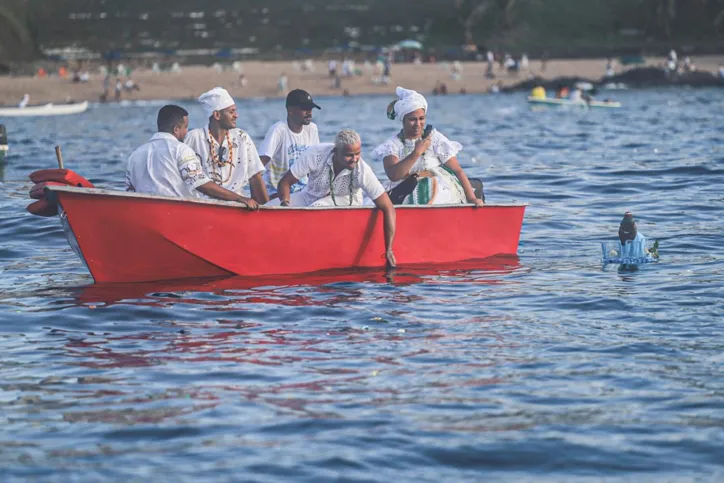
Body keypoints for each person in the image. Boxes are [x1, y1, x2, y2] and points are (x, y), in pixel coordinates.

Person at [275, 129, 397, 267]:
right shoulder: (315, 154)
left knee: (316, 209)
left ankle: (300, 253)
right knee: (271, 207)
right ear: (335, 151)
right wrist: (285, 207)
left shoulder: (363, 170)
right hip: (310, 195)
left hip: (346, 200)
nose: (355, 159)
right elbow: (284, 183)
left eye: (357, 154)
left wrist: (388, 250)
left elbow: (388, 208)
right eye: (349, 155)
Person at [125, 105, 258, 209]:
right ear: (176, 129)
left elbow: (130, 192)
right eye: (185, 127)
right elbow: (202, 185)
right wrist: (241, 199)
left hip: (146, 213)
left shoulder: (135, 155)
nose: (186, 132)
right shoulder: (181, 150)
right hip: (178, 214)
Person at [372, 87, 484, 206]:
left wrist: (471, 199)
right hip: (404, 191)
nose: (418, 124)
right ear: (403, 120)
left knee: (430, 186)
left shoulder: (434, 138)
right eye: (412, 119)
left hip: (439, 189)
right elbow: (394, 175)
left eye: (421, 119)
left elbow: (457, 170)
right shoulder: (393, 145)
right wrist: (416, 153)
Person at [184, 87, 268, 204]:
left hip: (239, 206)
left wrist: (266, 208)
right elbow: (188, 178)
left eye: (235, 111)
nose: (236, 115)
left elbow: (255, 176)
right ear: (217, 115)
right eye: (231, 111)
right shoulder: (194, 138)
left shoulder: (242, 137)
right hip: (204, 205)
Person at [258, 89, 321, 197]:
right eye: (304, 109)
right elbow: (256, 169)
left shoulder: (312, 129)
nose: (309, 112)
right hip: (275, 195)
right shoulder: (278, 131)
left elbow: (316, 166)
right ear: (290, 110)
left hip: (303, 194)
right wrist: (262, 202)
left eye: (311, 109)